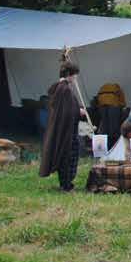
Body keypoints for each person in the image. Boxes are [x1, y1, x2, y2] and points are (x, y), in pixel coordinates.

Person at [39, 61, 88, 192]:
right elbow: (67, 111)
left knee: (65, 156)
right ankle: (66, 185)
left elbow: (64, 108)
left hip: (62, 129)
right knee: (69, 156)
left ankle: (65, 184)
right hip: (66, 132)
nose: (76, 78)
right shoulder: (64, 89)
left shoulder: (59, 88)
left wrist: (76, 109)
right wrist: (79, 111)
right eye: (75, 75)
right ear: (69, 75)